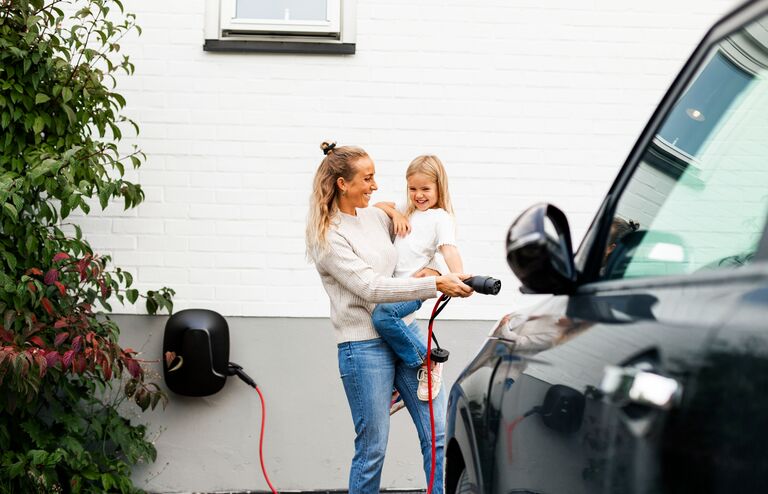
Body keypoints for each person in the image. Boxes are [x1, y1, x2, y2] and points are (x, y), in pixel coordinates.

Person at [306, 142, 473, 494]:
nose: (375, 185)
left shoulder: (374, 216)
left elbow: (415, 241)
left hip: (403, 332)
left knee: (437, 433)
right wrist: (433, 284)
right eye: (367, 178)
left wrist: (434, 267)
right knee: (373, 449)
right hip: (364, 347)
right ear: (342, 184)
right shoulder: (329, 237)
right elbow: (370, 287)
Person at [373, 155, 463, 412]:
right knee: (386, 330)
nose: (419, 195)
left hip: (416, 287)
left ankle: (427, 361)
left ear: (439, 187)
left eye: (425, 189)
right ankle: (399, 389)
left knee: (383, 317)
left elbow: (449, 249)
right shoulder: (407, 209)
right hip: (396, 288)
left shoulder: (441, 217)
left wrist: (458, 276)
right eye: (413, 188)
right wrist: (395, 213)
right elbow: (378, 206)